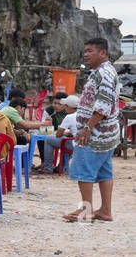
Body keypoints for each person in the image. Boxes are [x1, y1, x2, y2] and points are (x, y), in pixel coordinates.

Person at [64, 37, 120, 222]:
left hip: (96, 134)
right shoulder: (104, 71)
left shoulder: (104, 73)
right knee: (104, 172)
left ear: (102, 52)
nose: (85, 54)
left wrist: (87, 128)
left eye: (90, 51)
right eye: (85, 51)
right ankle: (105, 210)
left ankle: (86, 210)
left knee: (83, 171)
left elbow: (103, 106)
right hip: (106, 134)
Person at [39, 97, 79, 175]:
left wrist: (65, 133)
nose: (64, 107)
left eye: (65, 105)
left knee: (48, 139)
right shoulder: (83, 115)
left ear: (69, 107)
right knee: (66, 140)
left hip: (74, 144)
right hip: (83, 142)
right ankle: (61, 166)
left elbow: (58, 134)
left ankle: (48, 168)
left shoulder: (70, 116)